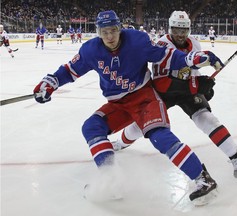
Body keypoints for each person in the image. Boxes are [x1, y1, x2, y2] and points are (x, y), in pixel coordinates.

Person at [33, 10, 224, 205]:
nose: (110, 37)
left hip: (144, 98)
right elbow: (70, 71)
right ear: (98, 32)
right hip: (118, 104)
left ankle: (203, 179)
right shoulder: (90, 50)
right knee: (91, 127)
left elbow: (167, 56)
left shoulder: (138, 41)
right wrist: (50, 83)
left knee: (159, 135)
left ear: (120, 29)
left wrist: (196, 57)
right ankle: (112, 181)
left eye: (113, 31)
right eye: (104, 32)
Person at [112, 11, 237, 183]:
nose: (180, 34)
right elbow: (162, 83)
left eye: (184, 30)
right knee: (141, 125)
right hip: (165, 91)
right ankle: (121, 143)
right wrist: (197, 85)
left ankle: (236, 157)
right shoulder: (162, 44)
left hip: (186, 91)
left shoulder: (195, 44)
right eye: (177, 30)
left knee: (207, 119)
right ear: (170, 28)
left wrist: (203, 85)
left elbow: (193, 72)